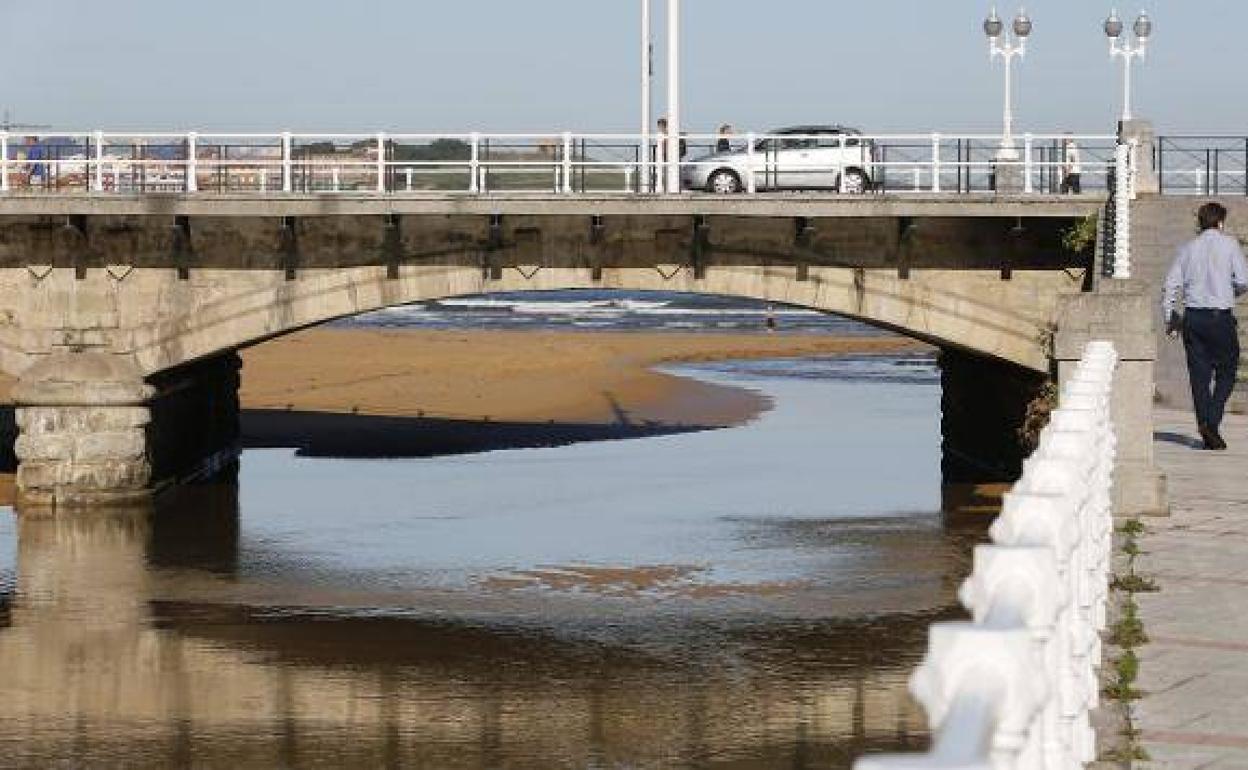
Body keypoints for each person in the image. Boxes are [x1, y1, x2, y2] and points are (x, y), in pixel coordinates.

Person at [1162, 201, 1248, 450]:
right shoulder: (1230, 245)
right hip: (1219, 318)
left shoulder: (1187, 248)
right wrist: (1228, 292)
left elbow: (1170, 286)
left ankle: (1205, 425)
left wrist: (1170, 316)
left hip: (1193, 318)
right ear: (1220, 222)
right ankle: (1212, 420)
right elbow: (1243, 281)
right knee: (1227, 371)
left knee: (1199, 376)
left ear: (1200, 223)